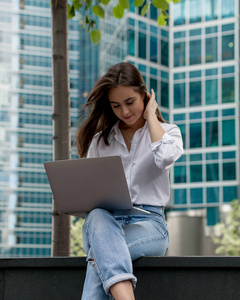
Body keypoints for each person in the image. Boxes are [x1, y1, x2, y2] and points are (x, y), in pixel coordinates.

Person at [75, 62, 183, 300]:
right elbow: (92, 195)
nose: (124, 111)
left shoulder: (169, 132)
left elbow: (166, 157)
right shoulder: (100, 142)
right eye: (116, 105)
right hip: (105, 224)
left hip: (149, 225)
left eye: (130, 102)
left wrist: (151, 116)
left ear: (145, 96)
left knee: (99, 258)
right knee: (97, 217)